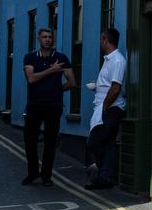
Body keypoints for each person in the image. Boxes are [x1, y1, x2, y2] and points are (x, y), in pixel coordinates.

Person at [22, 28, 75, 186]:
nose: (48, 40)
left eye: (50, 37)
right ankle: (32, 173)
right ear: (38, 39)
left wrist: (57, 90)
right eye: (44, 37)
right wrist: (52, 70)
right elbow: (31, 79)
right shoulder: (30, 57)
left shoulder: (61, 57)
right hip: (34, 105)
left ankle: (46, 176)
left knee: (50, 142)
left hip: (53, 105)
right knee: (30, 141)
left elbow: (72, 82)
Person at [85, 28, 126, 190]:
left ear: (105, 39)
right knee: (108, 144)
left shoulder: (117, 60)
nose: (100, 42)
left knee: (94, 142)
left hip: (111, 109)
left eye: (101, 39)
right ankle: (105, 178)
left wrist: (104, 108)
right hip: (106, 107)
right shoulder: (109, 59)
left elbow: (116, 88)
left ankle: (103, 172)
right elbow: (109, 85)